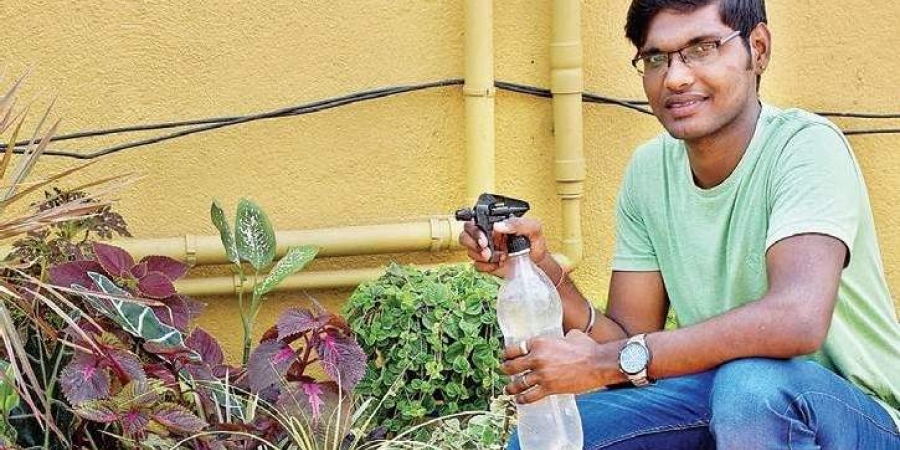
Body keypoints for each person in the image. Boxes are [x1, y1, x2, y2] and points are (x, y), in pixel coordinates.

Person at [459, 0, 900, 448]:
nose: (675, 78)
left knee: (751, 391)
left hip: (853, 417)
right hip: (724, 399)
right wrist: (544, 269)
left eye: (702, 48)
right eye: (655, 58)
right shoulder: (650, 171)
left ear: (758, 49)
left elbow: (796, 318)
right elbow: (629, 341)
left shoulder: (805, 147)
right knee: (557, 439)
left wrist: (601, 362)